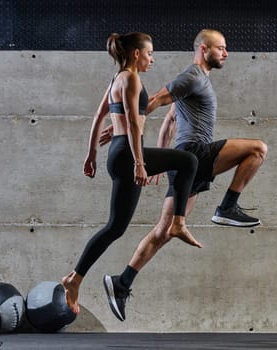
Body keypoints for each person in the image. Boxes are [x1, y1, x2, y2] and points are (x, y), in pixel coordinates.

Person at [100, 29, 267, 322]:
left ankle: (122, 282)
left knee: (164, 232)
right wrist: (121, 125)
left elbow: (170, 119)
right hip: (195, 153)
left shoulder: (197, 83)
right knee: (257, 149)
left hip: (187, 161)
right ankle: (228, 206)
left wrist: (161, 157)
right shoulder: (193, 76)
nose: (226, 53)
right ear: (204, 49)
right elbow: (155, 100)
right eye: (221, 48)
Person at [61, 32, 201, 316]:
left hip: (117, 152)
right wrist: (139, 162)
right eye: (150, 54)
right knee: (188, 161)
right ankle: (177, 222)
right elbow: (135, 126)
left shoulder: (115, 79)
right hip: (127, 153)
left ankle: (74, 278)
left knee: (115, 227)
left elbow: (100, 116)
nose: (152, 59)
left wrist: (91, 154)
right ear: (136, 53)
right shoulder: (132, 79)